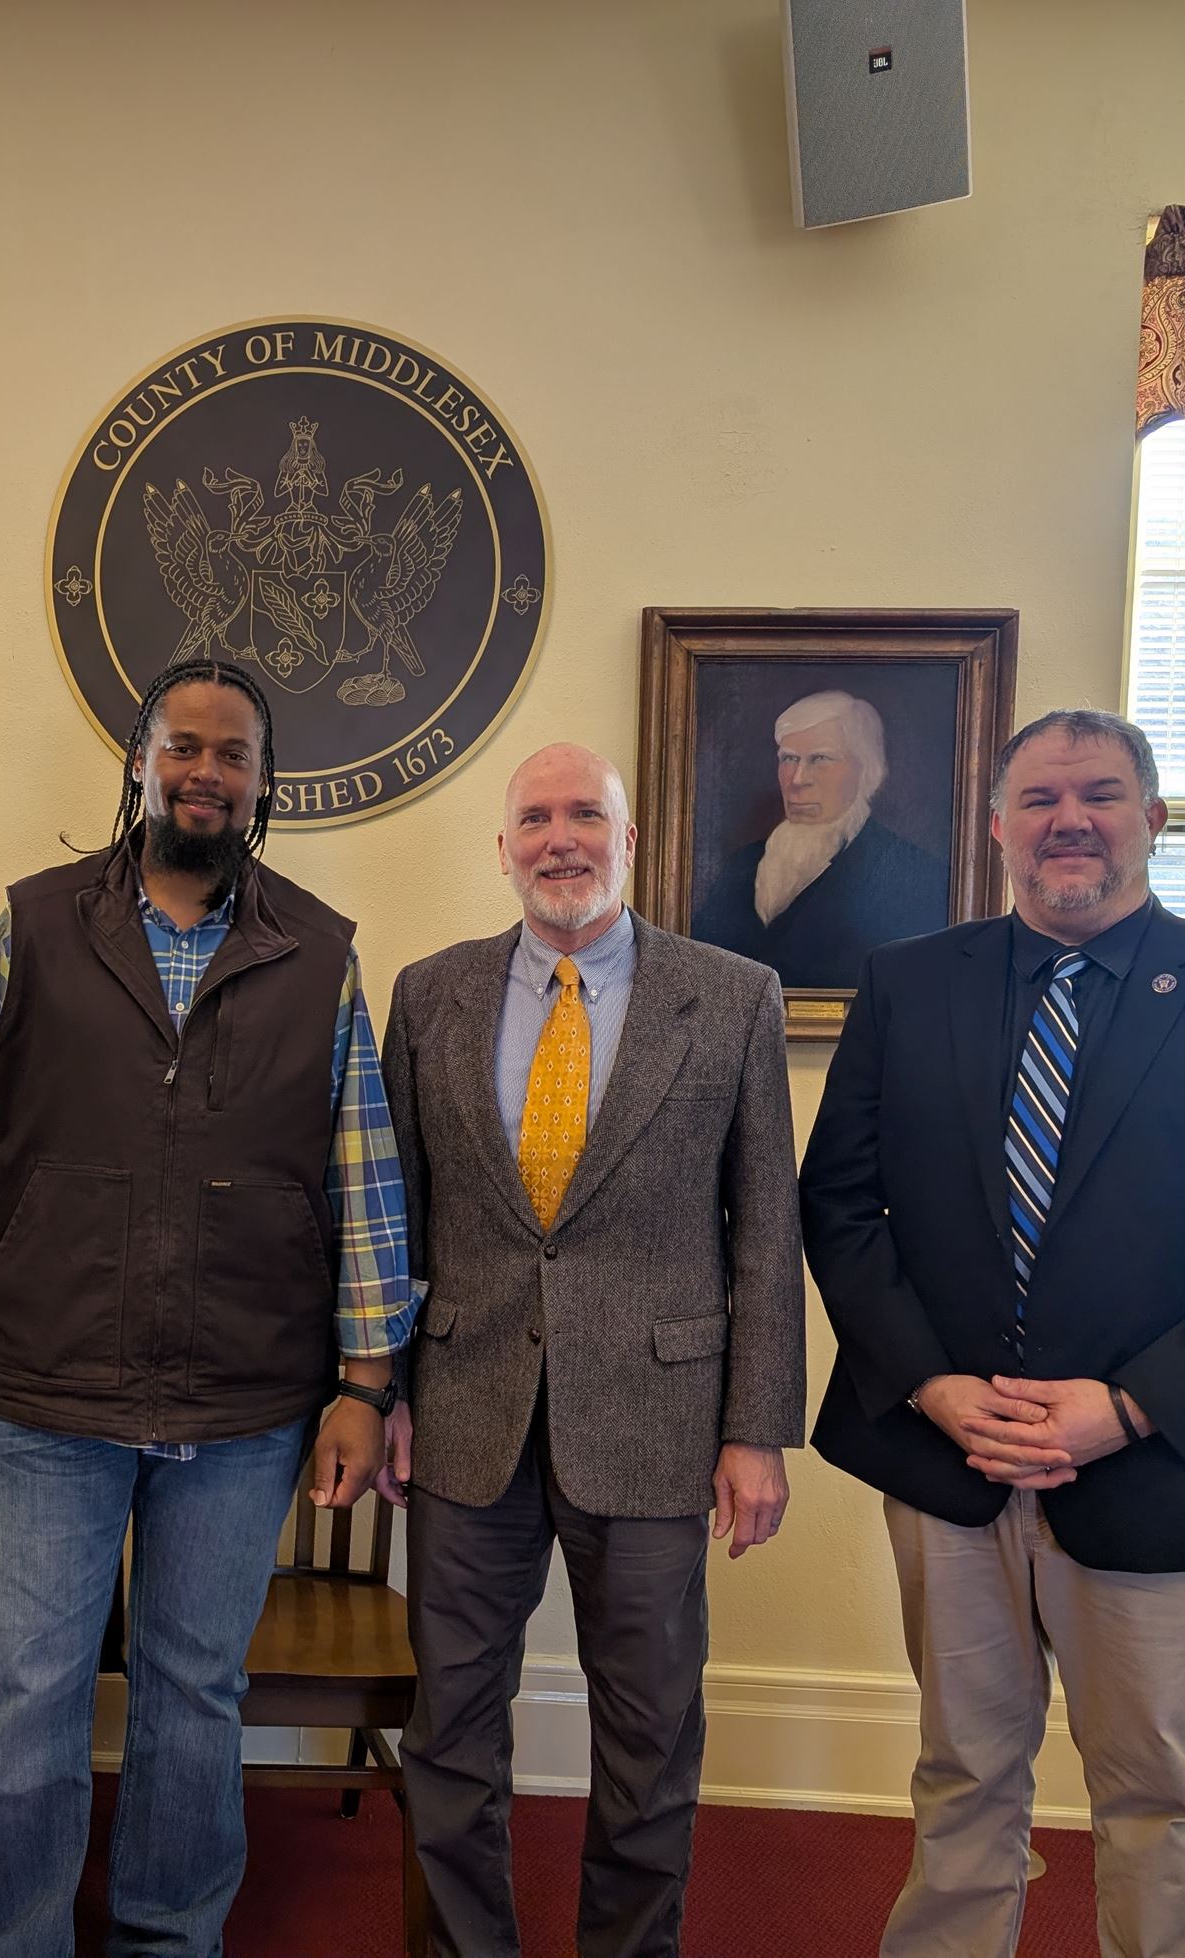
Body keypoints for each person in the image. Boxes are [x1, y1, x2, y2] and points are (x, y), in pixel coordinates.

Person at [801, 709, 1185, 1958]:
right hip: (946, 1459)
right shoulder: (908, 981)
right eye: (1043, 796)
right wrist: (932, 1386)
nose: (1071, 819)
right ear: (997, 824)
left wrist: (1121, 1406)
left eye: (1102, 794)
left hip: (1161, 1465)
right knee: (960, 1777)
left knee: (1156, 1801)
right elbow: (839, 1205)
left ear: (1152, 818)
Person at [0, 656, 416, 1958]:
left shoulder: (322, 955)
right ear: (139, 763)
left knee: (196, 1697)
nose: (205, 770)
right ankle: (8, 1939)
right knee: (26, 1696)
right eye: (181, 746)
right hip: (50, 1387)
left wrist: (366, 1383)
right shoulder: (34, 925)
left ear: (262, 783)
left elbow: (361, 1172)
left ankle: (168, 1937)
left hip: (243, 1401)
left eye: (232, 753)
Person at [381, 743, 806, 1958]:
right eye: (532, 818)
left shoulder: (729, 994)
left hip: (658, 1422)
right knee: (451, 1731)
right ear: (502, 846)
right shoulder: (429, 993)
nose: (557, 837)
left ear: (628, 842)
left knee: (649, 1731)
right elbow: (395, 1214)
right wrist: (385, 1387)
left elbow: (763, 1229)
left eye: (584, 816)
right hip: (465, 1412)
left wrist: (755, 1427)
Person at [691, 689, 947, 988]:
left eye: (820, 759)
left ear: (866, 769)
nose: (798, 780)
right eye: (789, 759)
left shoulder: (913, 874)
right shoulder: (742, 865)